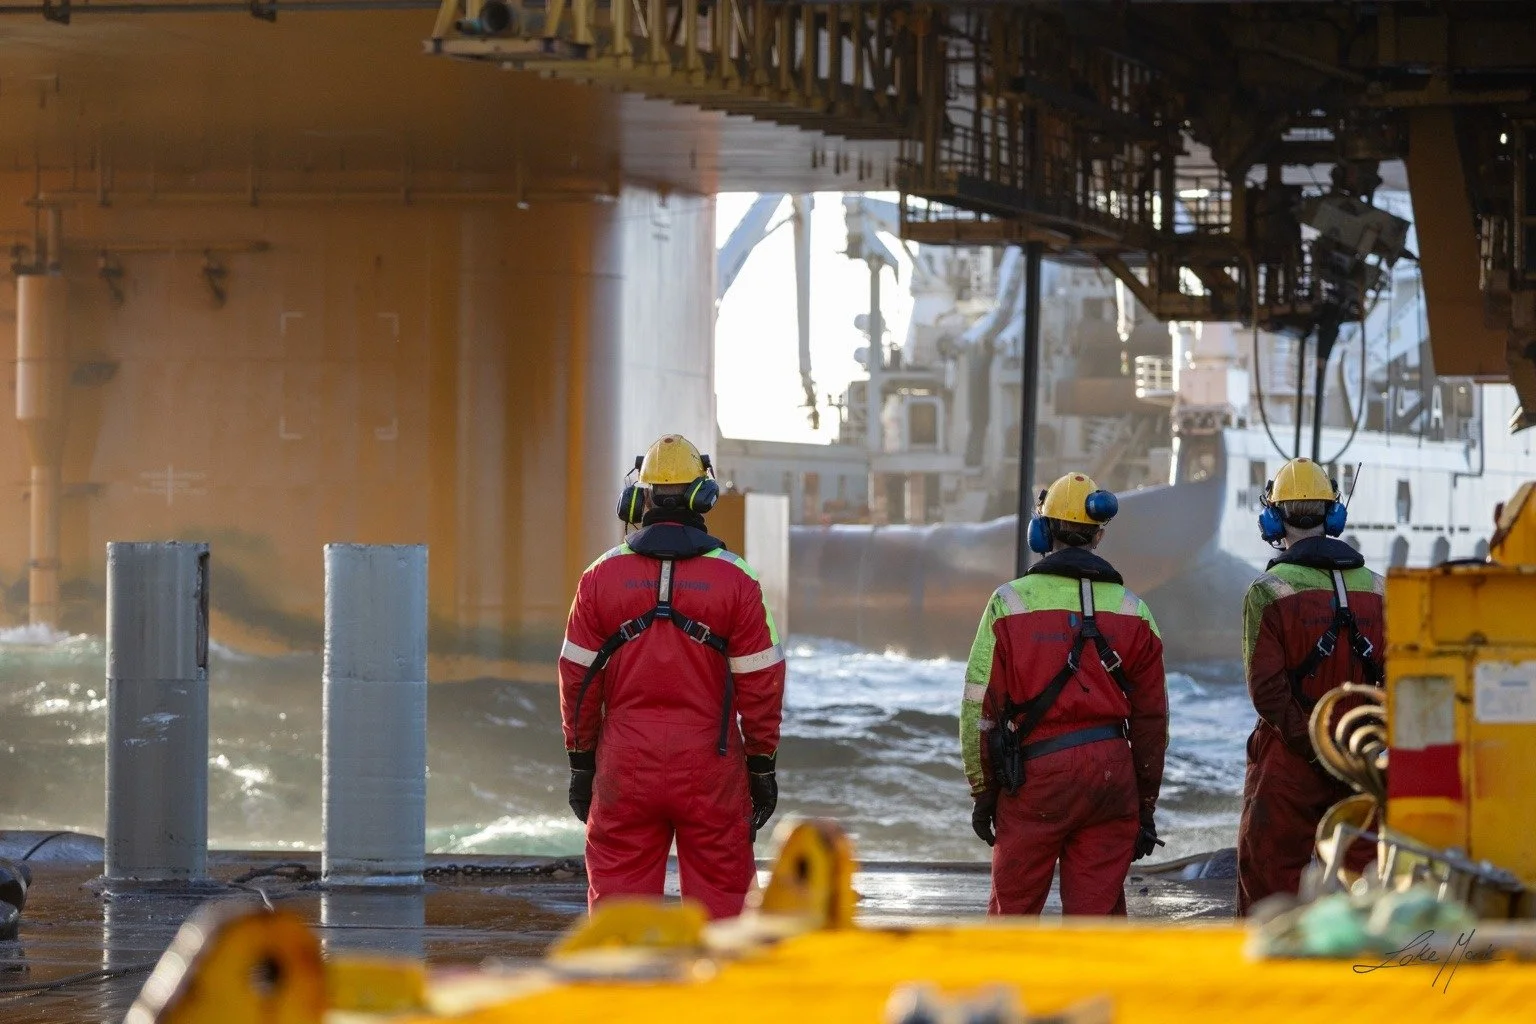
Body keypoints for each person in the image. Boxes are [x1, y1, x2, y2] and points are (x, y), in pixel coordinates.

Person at [559, 433, 786, 921]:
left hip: (625, 767)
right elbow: (762, 686)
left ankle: (624, 994)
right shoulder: (737, 580)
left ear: (637, 499)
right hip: (711, 768)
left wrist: (581, 762)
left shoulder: (598, 577)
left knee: (620, 923)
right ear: (702, 497)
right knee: (724, 914)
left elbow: (577, 682)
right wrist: (762, 766)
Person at [960, 472, 1169, 916]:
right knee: (1096, 925)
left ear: (1042, 531)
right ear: (1098, 534)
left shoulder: (1008, 603)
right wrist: (1143, 804)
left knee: (1013, 914)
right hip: (1112, 778)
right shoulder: (1135, 610)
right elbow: (1152, 720)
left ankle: (1012, 986)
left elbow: (980, 707)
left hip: (1037, 778)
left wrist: (983, 790)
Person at [1237, 457, 1383, 915]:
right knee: (1365, 881)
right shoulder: (1380, 590)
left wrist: (1312, 742)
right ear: (1333, 515)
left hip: (1290, 758)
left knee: (1269, 880)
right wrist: (1351, 748)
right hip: (1362, 754)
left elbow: (1267, 692)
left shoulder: (1268, 590)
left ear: (1272, 518)